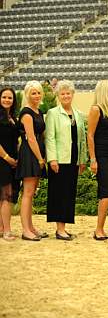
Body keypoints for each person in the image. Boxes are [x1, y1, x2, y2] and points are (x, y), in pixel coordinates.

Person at [45, 80, 87, 241]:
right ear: (58, 95)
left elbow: (81, 139)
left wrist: (82, 160)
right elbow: (50, 138)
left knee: (69, 194)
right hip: (59, 160)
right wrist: (52, 159)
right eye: (62, 93)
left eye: (68, 93)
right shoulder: (53, 113)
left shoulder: (77, 114)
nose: (66, 96)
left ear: (73, 94)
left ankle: (65, 227)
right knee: (59, 194)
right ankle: (59, 229)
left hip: (74, 160)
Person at [87, 80, 108, 240]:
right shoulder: (96, 109)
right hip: (101, 155)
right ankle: (98, 230)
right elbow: (90, 135)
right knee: (107, 192)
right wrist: (93, 159)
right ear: (106, 91)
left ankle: (101, 229)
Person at [16, 81, 47, 241]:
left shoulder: (39, 111)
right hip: (30, 154)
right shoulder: (26, 113)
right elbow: (31, 139)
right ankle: (25, 230)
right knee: (27, 193)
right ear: (28, 94)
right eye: (33, 93)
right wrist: (40, 158)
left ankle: (31, 226)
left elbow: (41, 136)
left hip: (38, 153)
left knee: (32, 192)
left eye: (38, 92)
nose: (36, 95)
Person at [0, 87, 19, 241]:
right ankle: (7, 230)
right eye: (4, 97)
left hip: (12, 161)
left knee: (4, 196)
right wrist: (7, 158)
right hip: (2, 161)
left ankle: (1, 227)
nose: (7, 100)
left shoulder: (13, 117)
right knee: (7, 195)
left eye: (10, 98)